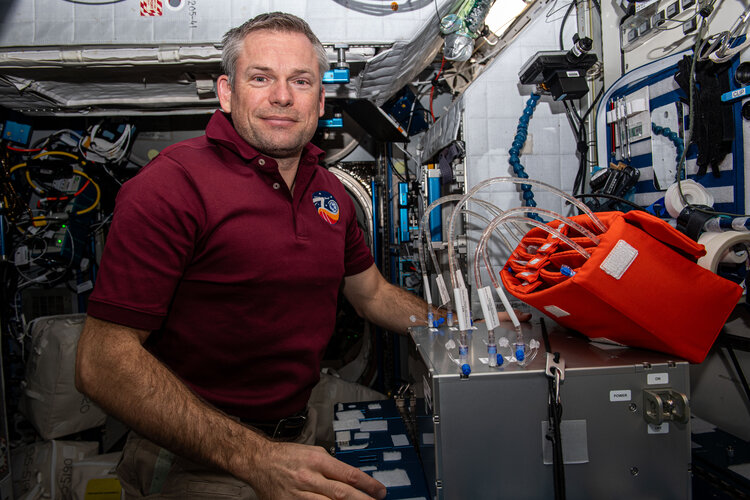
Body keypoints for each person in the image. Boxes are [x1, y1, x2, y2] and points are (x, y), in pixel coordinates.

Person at [75, 12, 522, 500]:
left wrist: (458, 326)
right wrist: (255, 459)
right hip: (198, 454)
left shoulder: (327, 191)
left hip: (297, 432)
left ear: (320, 99)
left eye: (300, 81)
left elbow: (370, 294)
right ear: (226, 93)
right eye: (261, 77)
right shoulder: (171, 187)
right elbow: (102, 361)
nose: (282, 96)